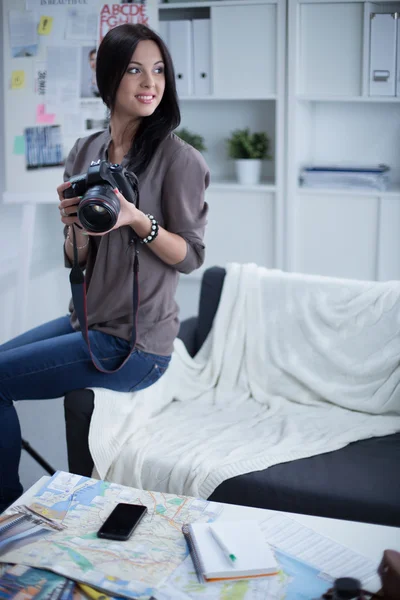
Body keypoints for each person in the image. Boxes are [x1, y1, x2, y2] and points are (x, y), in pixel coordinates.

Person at [0, 23, 209, 512]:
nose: (149, 82)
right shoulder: (86, 151)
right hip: (88, 321)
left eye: (158, 70)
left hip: (136, 345)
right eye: (135, 69)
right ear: (109, 77)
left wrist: (139, 221)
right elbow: (76, 258)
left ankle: (6, 514)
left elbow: (193, 256)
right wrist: (72, 225)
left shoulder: (179, 160)